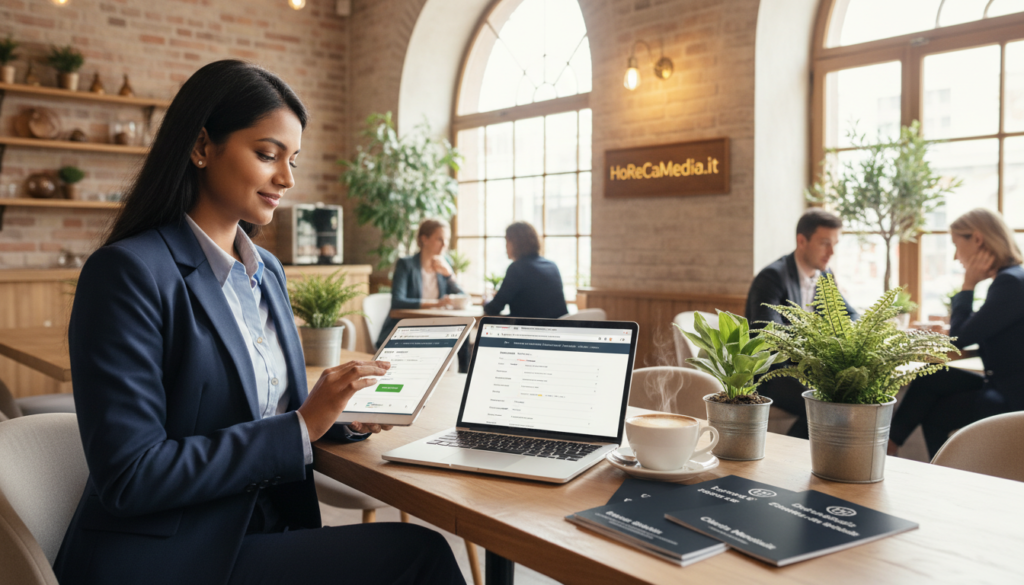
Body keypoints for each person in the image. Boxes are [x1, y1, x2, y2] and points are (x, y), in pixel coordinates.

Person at [53, 60, 464, 585]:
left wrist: (339, 416)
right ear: (201, 147)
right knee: (419, 556)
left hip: (264, 527)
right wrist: (301, 427)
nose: (287, 179)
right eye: (268, 155)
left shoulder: (265, 271)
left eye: (292, 159)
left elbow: (265, 409)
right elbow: (131, 477)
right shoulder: (127, 273)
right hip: (172, 555)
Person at [889, 208, 1024, 458]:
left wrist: (968, 285)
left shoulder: (1011, 284)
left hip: (1012, 397)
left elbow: (958, 339)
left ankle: (891, 445)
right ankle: (891, 444)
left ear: (977, 239)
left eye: (955, 244)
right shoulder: (1012, 279)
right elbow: (972, 331)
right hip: (1001, 384)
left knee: (936, 411)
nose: (954, 256)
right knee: (930, 378)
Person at [745, 208, 859, 439]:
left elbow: (850, 316)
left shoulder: (824, 277)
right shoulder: (771, 278)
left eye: (835, 243)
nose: (831, 252)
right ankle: (790, 462)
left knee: (847, 398)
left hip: (807, 371)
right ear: (802, 241)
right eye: (825, 243)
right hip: (771, 375)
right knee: (826, 405)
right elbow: (769, 336)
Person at [375, 218, 465, 349]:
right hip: (406, 330)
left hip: (433, 329)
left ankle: (465, 370)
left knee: (461, 336)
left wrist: (449, 274)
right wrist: (437, 303)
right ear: (424, 239)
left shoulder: (444, 264)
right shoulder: (406, 264)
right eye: (439, 239)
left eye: (446, 239)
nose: (445, 244)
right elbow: (398, 302)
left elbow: (462, 296)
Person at [484, 221, 568, 318]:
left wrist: (486, 303)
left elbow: (494, 308)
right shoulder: (552, 266)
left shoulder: (517, 268)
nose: (505, 247)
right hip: (558, 328)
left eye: (507, 242)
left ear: (515, 244)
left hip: (531, 329)